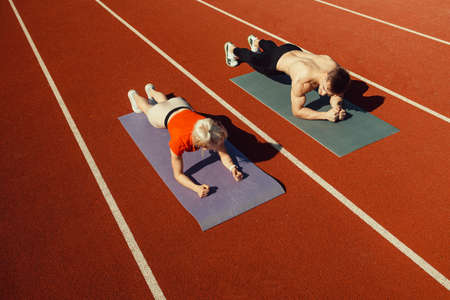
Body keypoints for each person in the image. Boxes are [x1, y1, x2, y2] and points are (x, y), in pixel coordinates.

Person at [128, 83, 243, 198]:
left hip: (179, 103)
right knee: (146, 108)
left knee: (165, 103)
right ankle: (134, 95)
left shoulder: (210, 128)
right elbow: (178, 174)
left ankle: (151, 91)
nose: (218, 146)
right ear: (203, 145)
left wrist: (232, 167)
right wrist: (196, 188)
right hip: (164, 115)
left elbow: (223, 152)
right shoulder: (179, 142)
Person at [224, 35, 351, 122]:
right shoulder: (302, 82)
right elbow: (297, 111)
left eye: (327, 92)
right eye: (323, 88)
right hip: (274, 62)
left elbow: (339, 93)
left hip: (291, 48)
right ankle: (233, 50)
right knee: (254, 59)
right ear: (325, 77)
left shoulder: (333, 67)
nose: (322, 93)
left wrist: (336, 106)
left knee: (275, 49)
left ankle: (257, 41)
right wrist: (325, 115)